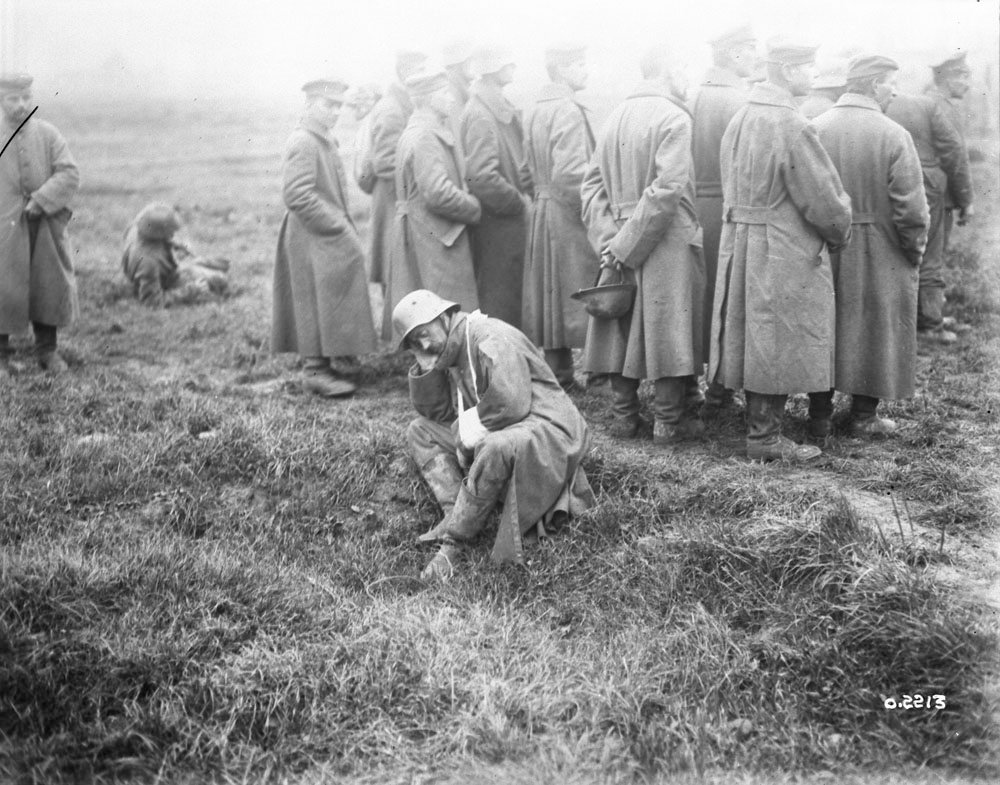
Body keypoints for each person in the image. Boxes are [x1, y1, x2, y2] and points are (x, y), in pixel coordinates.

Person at [708, 39, 853, 462]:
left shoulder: (742, 115)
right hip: (781, 244)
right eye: (808, 68)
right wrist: (839, 232)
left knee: (754, 332)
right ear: (788, 71)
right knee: (775, 334)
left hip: (742, 239)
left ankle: (758, 427)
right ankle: (766, 439)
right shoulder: (791, 123)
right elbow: (824, 200)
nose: (812, 76)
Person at [393, 289, 594, 582]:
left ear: (445, 316)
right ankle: (455, 511)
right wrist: (425, 364)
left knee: (493, 446)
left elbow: (512, 403)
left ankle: (455, 544)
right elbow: (435, 415)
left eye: (424, 333)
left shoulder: (489, 336)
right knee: (420, 431)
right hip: (505, 423)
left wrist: (466, 435)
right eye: (414, 342)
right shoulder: (452, 347)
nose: (423, 343)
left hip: (546, 426)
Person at [580, 46, 706, 446]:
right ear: (669, 68)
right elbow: (667, 190)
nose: (688, 76)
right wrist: (625, 244)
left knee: (619, 323)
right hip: (665, 237)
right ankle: (668, 423)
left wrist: (611, 242)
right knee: (669, 327)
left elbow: (591, 188)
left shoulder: (613, 117)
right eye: (685, 66)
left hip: (621, 235)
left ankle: (624, 419)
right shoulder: (674, 116)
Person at [809, 55, 929, 437]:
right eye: (890, 82)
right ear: (875, 84)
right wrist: (913, 252)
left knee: (825, 327)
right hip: (882, 245)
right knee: (876, 327)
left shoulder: (814, 128)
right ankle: (863, 416)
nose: (894, 89)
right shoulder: (894, 134)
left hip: (825, 244)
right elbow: (911, 210)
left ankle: (819, 416)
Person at [272, 77, 376, 398]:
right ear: (309, 104)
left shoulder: (321, 138)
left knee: (329, 294)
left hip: (320, 231)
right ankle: (315, 370)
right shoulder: (304, 141)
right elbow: (297, 194)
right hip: (310, 234)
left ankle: (336, 354)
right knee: (311, 300)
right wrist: (338, 225)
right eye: (327, 105)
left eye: (338, 106)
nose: (335, 112)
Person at [522, 44, 599, 390]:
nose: (586, 69)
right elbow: (572, 175)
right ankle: (600, 374)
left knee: (552, 292)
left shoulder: (536, 108)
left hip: (543, 209)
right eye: (579, 63)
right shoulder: (567, 109)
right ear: (562, 69)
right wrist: (596, 207)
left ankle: (560, 374)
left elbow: (526, 172)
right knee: (587, 287)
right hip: (567, 213)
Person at [382, 69, 481, 334]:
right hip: (436, 235)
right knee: (445, 315)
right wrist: (474, 207)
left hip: (423, 231)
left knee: (430, 317)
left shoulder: (417, 130)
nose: (451, 99)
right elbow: (437, 193)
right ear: (428, 99)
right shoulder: (426, 135)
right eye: (445, 93)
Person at [691, 25, 756, 414]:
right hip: (728, 211)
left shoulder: (693, 95)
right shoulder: (739, 101)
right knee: (729, 300)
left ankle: (696, 390)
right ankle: (719, 392)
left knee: (698, 301)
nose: (755, 56)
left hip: (694, 208)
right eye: (750, 49)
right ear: (733, 55)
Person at [885, 54, 972, 344]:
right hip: (936, 189)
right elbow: (954, 154)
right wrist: (965, 198)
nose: (968, 85)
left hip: (914, 184)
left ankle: (926, 314)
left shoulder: (919, 101)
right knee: (932, 253)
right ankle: (931, 324)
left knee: (917, 251)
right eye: (963, 77)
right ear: (948, 79)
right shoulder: (938, 105)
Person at [0, 72, 80, 377]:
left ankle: (48, 351)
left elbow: (69, 173)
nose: (21, 105)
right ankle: (1, 357)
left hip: (44, 226)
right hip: (3, 229)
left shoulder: (48, 135)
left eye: (26, 98)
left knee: (49, 283)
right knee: (2, 286)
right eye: (13, 99)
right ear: (1, 101)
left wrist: (42, 200)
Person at [460, 46, 533, 329]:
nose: (514, 66)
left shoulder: (492, 106)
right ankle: (500, 370)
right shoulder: (482, 113)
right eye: (508, 61)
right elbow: (481, 177)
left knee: (509, 302)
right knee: (500, 306)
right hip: (499, 226)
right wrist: (517, 203)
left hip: (505, 225)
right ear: (494, 68)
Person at [368, 50, 428, 305]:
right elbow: (384, 162)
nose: (423, 77)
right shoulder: (391, 109)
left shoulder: (405, 103)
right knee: (395, 269)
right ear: (404, 73)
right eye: (419, 71)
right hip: (392, 201)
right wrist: (422, 174)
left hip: (400, 199)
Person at [121, 202, 230, 307]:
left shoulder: (137, 229)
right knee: (219, 280)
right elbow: (153, 301)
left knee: (221, 266)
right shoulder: (149, 262)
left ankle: (198, 264)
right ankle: (198, 266)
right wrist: (191, 290)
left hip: (164, 269)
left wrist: (173, 243)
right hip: (164, 280)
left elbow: (145, 243)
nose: (173, 234)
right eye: (170, 231)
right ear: (158, 233)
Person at [349, 83, 383, 196]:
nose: (353, 111)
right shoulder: (374, 120)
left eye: (355, 106)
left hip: (375, 186)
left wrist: (364, 181)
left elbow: (365, 159)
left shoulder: (369, 122)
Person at [442, 39, 476, 135]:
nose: (475, 65)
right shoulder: (452, 93)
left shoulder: (461, 88)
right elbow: (459, 140)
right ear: (459, 63)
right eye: (470, 60)